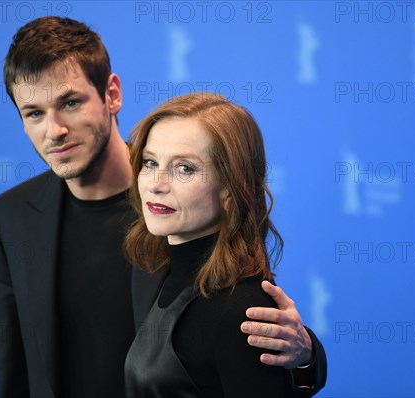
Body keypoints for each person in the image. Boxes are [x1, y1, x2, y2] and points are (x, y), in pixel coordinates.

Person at [0, 16, 326, 398]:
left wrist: (305, 353)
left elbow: (242, 318)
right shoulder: (12, 214)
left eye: (70, 102)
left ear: (111, 94)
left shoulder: (181, 203)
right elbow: (13, 365)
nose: (54, 130)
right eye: (33, 112)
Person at [124, 92, 318, 397]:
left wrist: (308, 357)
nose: (156, 183)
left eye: (184, 168)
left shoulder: (243, 314)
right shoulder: (154, 274)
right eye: (150, 162)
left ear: (229, 188)